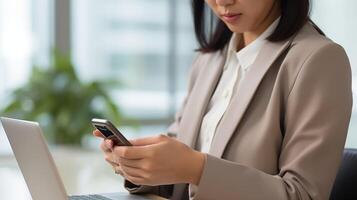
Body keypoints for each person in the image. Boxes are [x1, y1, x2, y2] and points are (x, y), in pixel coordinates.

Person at [93, 0, 353, 199]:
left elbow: (301, 194)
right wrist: (140, 165)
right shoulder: (209, 60)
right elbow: (179, 181)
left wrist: (196, 168)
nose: (222, 1)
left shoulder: (319, 59)